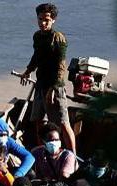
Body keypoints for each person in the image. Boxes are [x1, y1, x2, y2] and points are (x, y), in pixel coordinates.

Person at [18, 3, 77, 152]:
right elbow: (36, 56)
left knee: (63, 124)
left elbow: (61, 65)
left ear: (53, 20)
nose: (43, 23)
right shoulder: (37, 36)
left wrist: (53, 88)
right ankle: (42, 154)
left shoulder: (58, 38)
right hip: (40, 85)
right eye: (40, 19)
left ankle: (72, 157)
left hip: (55, 87)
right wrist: (28, 71)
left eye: (47, 20)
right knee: (39, 121)